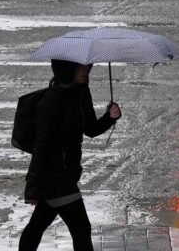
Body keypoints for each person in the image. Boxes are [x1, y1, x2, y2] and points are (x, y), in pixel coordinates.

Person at [19, 60, 122, 251]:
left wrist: (110, 117)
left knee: (37, 226)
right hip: (55, 176)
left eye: (88, 67)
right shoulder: (49, 102)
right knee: (81, 228)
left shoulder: (81, 93)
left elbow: (90, 129)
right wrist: (32, 189)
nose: (86, 71)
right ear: (67, 70)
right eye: (81, 67)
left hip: (69, 173)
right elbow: (41, 147)